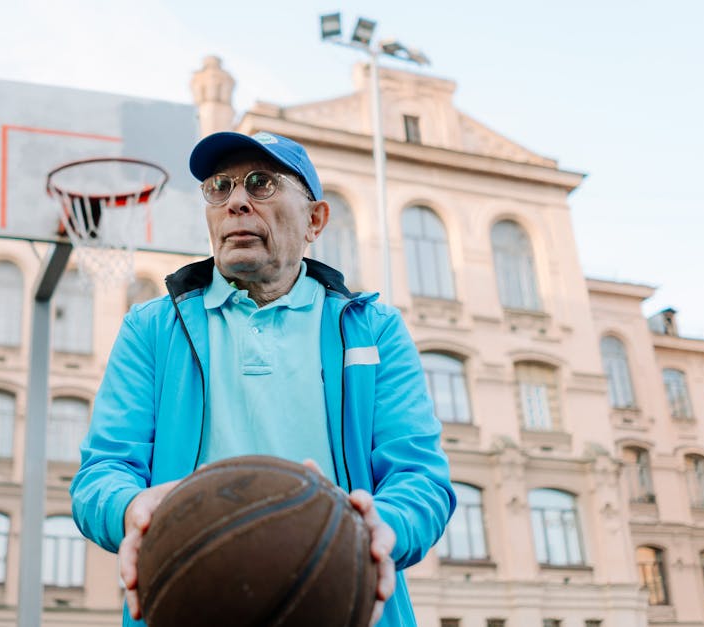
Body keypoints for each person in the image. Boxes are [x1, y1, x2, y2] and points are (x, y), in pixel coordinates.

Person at [70, 130, 455, 626]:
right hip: (190, 603)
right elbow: (99, 475)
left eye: (261, 183)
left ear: (315, 219)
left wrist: (384, 526)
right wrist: (130, 508)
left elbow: (420, 478)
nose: (235, 202)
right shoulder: (150, 329)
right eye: (218, 187)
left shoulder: (374, 330)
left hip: (339, 602)